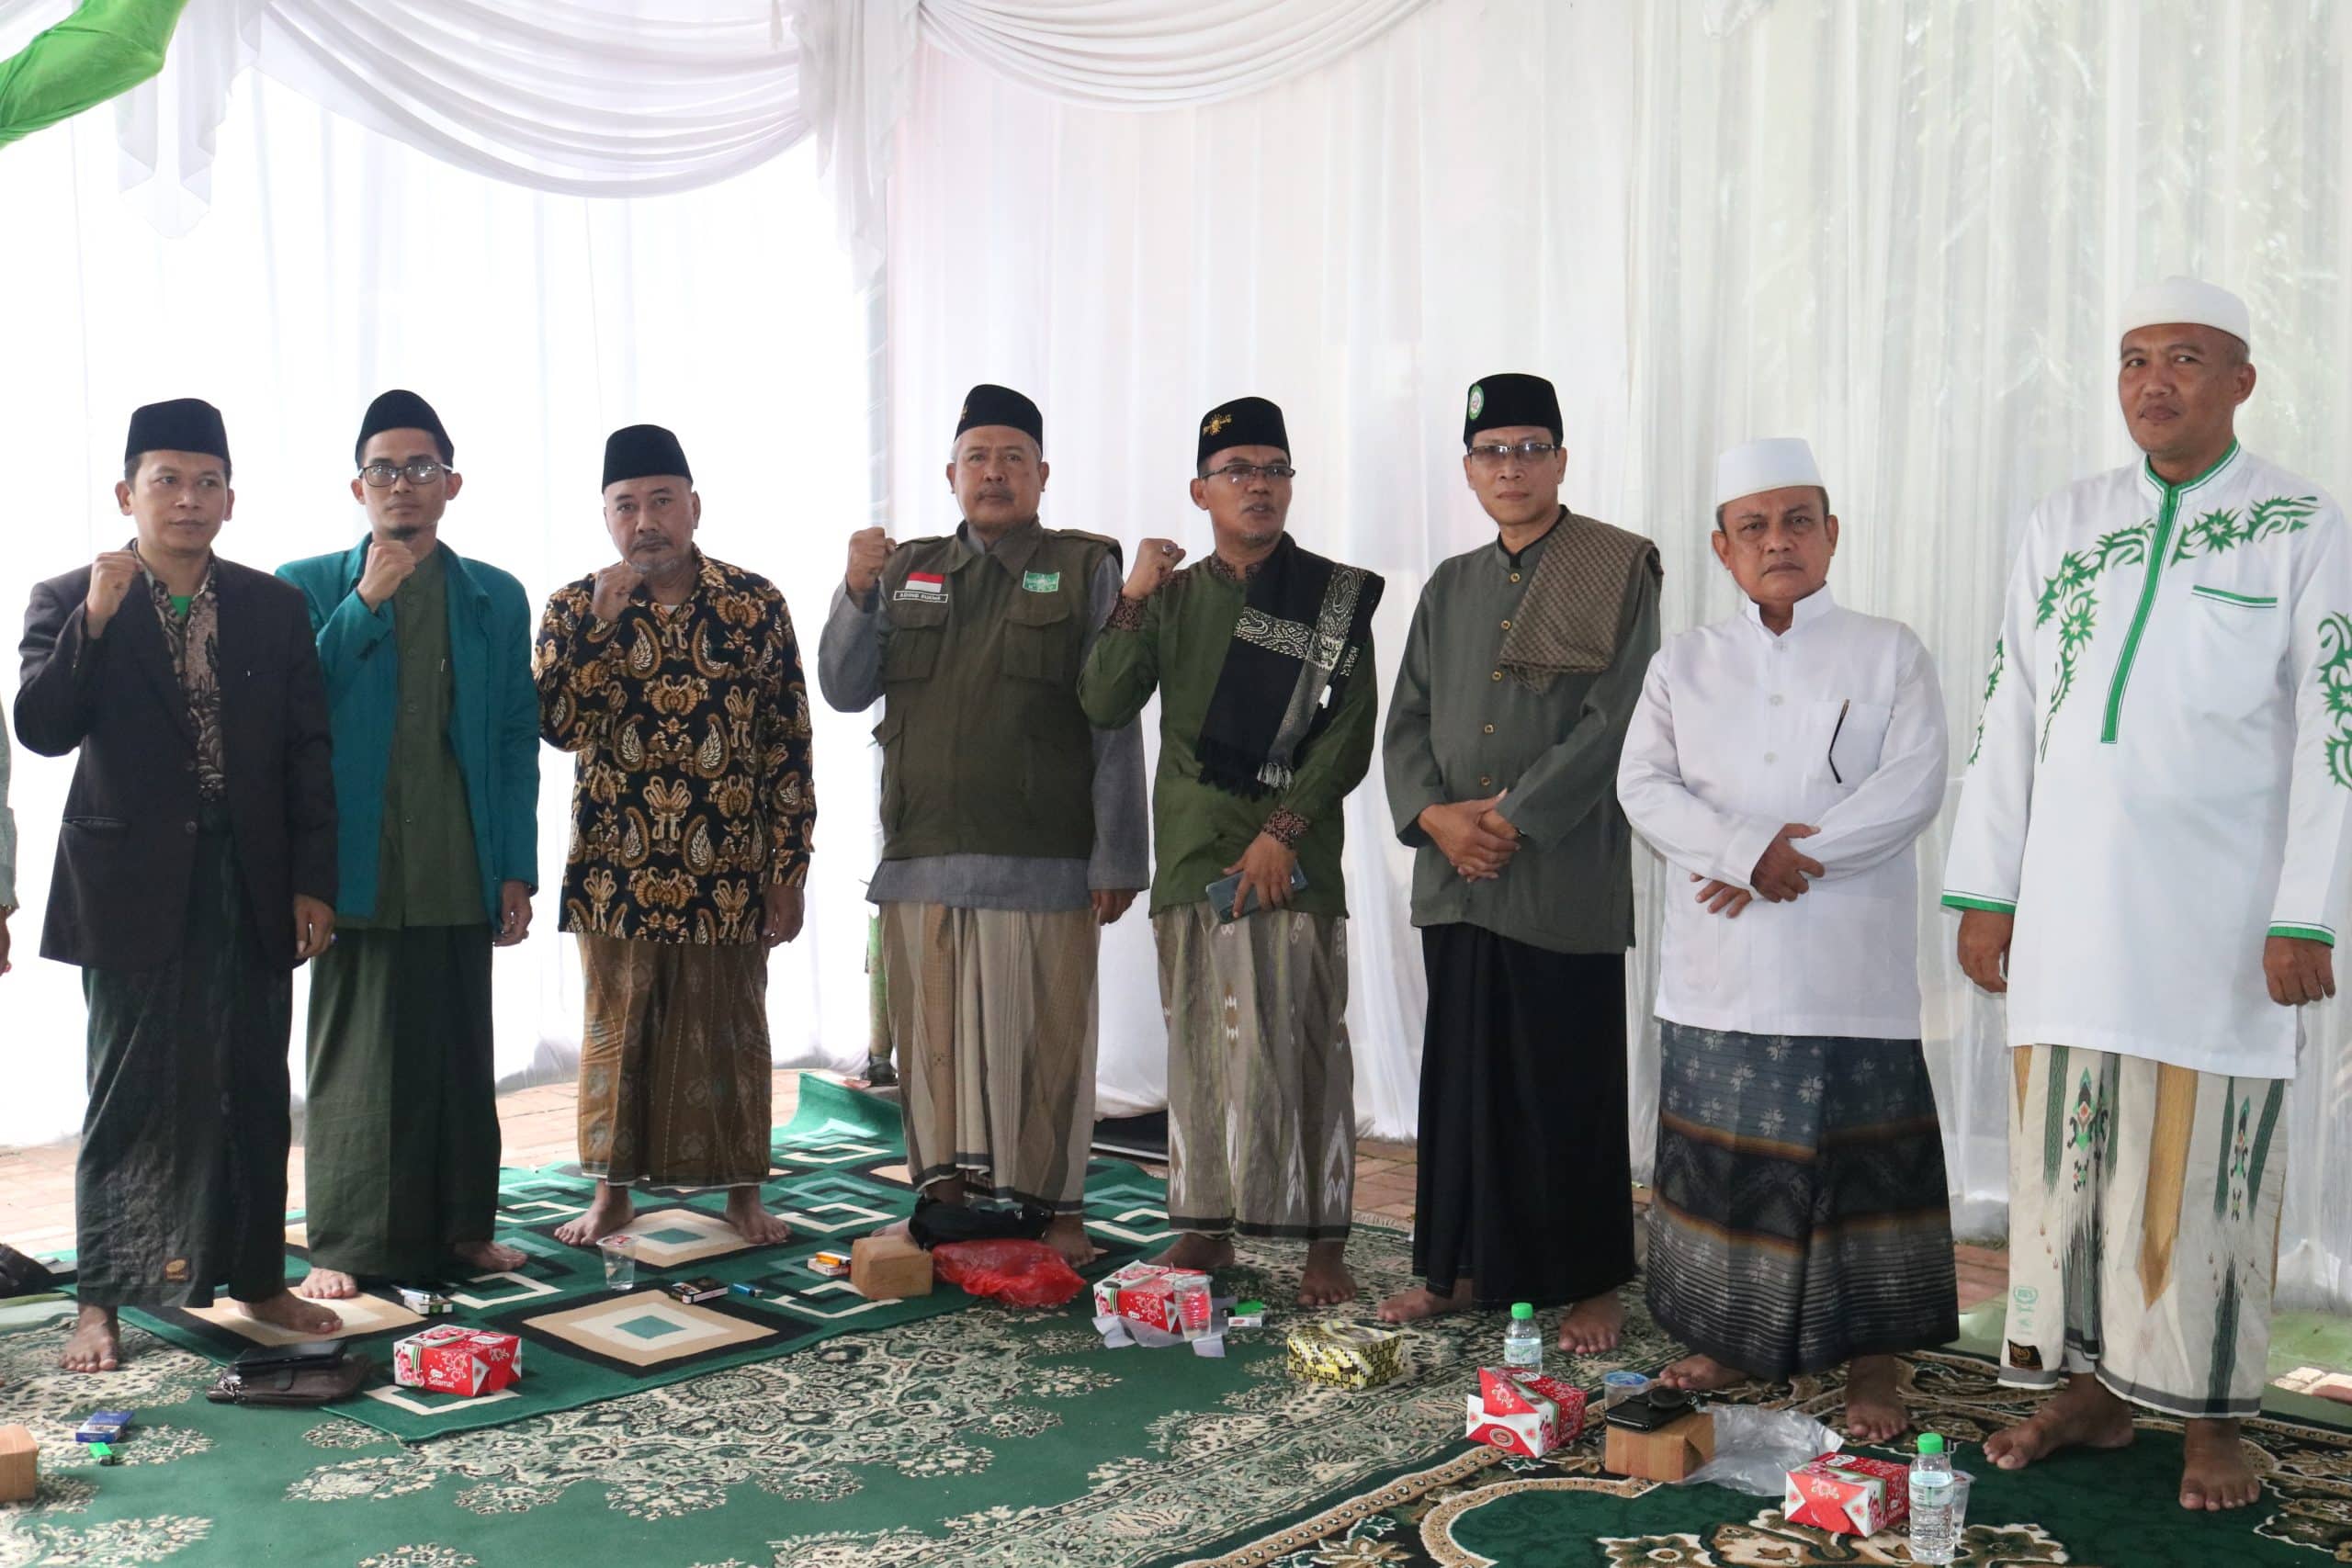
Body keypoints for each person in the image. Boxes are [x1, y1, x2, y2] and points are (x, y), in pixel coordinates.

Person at [1946, 277, 2352, 1510]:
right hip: (2070, 914)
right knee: (2070, 1168)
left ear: (2241, 381)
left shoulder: (2301, 524)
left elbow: (2335, 726)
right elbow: (2011, 704)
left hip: (2217, 925)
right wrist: (1987, 885)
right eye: (2133, 359)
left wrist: (2304, 909)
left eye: (2183, 357)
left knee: (2203, 1170)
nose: (2152, 380)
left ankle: (2213, 1418)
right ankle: (2091, 1389)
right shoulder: (2065, 521)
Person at [1618, 436, 1958, 1440]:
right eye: (1755, 526)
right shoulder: (1684, 662)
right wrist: (1740, 852)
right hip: (1718, 971)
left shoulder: (1889, 650)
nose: (1779, 541)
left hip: (1848, 967)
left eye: (1798, 521)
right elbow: (1643, 785)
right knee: (1723, 1173)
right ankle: (1729, 1341)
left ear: (1831, 534)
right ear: (1722, 548)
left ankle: (1873, 1367)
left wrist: (1781, 860)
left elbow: (1913, 785)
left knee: (1862, 1179)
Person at [16, 398, 341, 1371]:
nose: (188, 499)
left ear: (231, 500)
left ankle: (259, 1279)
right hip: (129, 883)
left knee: (253, 1083)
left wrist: (313, 881)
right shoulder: (68, 596)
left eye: (207, 483)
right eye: (167, 481)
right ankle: (103, 1300)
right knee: (130, 1092)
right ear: (128, 494)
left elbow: (307, 752)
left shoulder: (273, 606)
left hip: (252, 878)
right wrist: (94, 620)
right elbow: (42, 727)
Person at [819, 384, 1148, 1266]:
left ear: (1043, 473)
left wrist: (1118, 854)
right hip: (922, 857)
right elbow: (844, 688)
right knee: (932, 1051)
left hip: (1044, 858)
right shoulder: (905, 569)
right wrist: (854, 590)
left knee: (1048, 1045)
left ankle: (1060, 1212)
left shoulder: (1084, 567)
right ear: (951, 474)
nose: (994, 473)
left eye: (1012, 458)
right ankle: (943, 1206)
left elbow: (1114, 718)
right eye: (977, 458)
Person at [1377, 373, 1658, 1353]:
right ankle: (1456, 1268)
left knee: (1567, 1084)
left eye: (1531, 448)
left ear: (1562, 461)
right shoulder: (1450, 585)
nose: (1512, 468)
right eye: (1492, 452)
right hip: (1455, 876)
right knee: (1462, 1085)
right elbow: (1407, 718)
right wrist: (1433, 817)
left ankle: (1590, 1282)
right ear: (1468, 469)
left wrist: (1513, 817)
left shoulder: (1616, 565)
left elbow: (1618, 715)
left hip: (1560, 874)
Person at [1079, 396, 1381, 1307]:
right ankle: (1206, 1225)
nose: (1259, 485)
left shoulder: (1330, 596)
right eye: (1238, 471)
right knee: (1199, 1055)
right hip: (1190, 859)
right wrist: (1133, 594)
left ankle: (1324, 1239)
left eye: (1273, 469)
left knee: (1305, 1052)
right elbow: (1102, 701)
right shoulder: (1170, 602)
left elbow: (1348, 732)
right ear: (1200, 491)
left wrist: (1280, 835)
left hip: (1293, 864)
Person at [276, 390, 538, 1298]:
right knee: (356, 1055)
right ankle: (343, 1242)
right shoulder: (308, 582)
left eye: (420, 467)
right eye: (382, 469)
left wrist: (514, 866)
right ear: (358, 487)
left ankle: (464, 1228)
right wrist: (364, 602)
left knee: (459, 1051)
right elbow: (289, 708)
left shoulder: (493, 595)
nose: (401, 484)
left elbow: (514, 736)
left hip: (459, 855)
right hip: (356, 860)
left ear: (450, 484)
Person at [535, 423, 814, 1247]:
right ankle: (611, 1195)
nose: (645, 521)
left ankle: (742, 1195)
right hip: (614, 867)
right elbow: (558, 725)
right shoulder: (573, 607)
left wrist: (788, 867)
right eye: (626, 505)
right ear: (606, 517)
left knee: (731, 1031)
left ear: (695, 507)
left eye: (661, 501)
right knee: (618, 1034)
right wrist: (598, 625)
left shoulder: (754, 604)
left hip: (727, 865)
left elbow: (787, 742)